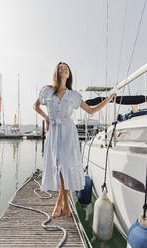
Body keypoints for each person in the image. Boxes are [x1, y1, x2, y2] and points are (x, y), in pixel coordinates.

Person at [33, 62, 116, 218]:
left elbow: (91, 110)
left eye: (66, 67)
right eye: (60, 67)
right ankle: (63, 201)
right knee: (58, 165)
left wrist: (109, 99)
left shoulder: (73, 95)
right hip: (54, 132)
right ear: (56, 72)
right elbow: (35, 106)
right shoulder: (47, 90)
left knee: (65, 165)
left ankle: (60, 202)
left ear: (69, 73)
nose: (64, 68)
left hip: (68, 132)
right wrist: (45, 118)